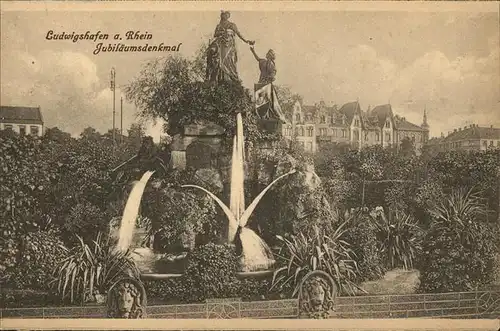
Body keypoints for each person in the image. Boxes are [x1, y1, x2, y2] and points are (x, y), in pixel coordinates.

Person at [207, 11, 254, 83]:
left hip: (228, 45)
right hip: (220, 43)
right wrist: (222, 32)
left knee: (228, 61)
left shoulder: (232, 25)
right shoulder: (218, 25)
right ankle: (211, 75)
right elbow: (215, 34)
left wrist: (246, 40)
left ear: (228, 16)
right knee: (212, 51)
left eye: (225, 14)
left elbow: (239, 34)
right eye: (222, 15)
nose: (223, 16)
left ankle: (229, 77)